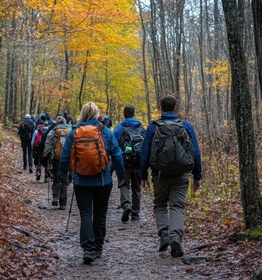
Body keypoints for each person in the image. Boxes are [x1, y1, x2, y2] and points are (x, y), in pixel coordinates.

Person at [56, 102, 127, 264]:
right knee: (100, 214)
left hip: (81, 180)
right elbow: (117, 155)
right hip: (103, 180)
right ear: (97, 115)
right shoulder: (105, 132)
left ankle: (88, 249)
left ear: (83, 114)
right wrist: (122, 176)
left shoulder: (74, 133)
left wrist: (61, 174)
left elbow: (65, 157)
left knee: (86, 214)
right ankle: (98, 247)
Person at [140, 94, 202, 258]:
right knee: (177, 206)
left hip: (159, 175)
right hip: (181, 174)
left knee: (160, 204)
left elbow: (145, 152)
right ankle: (175, 236)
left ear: (161, 108)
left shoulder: (153, 127)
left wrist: (143, 175)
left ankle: (165, 234)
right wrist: (197, 176)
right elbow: (195, 152)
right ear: (175, 108)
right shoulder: (185, 126)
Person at [113, 104, 145, 222]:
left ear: (124, 114)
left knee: (124, 184)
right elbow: (146, 145)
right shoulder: (141, 127)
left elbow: (113, 145)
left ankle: (126, 205)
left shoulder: (119, 128)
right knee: (136, 188)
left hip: (124, 162)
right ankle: (135, 213)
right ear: (134, 113)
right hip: (138, 163)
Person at [44, 116, 72, 210]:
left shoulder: (53, 131)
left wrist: (45, 156)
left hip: (56, 158)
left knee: (56, 177)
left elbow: (47, 145)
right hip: (67, 159)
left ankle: (55, 197)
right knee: (64, 180)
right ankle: (63, 203)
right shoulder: (71, 131)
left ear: (57, 123)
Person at [31, 114, 50, 181]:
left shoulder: (37, 130)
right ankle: (46, 176)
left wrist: (33, 147)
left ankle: (38, 171)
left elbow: (33, 141)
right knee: (46, 161)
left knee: (38, 160)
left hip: (38, 148)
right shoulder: (49, 130)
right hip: (46, 148)